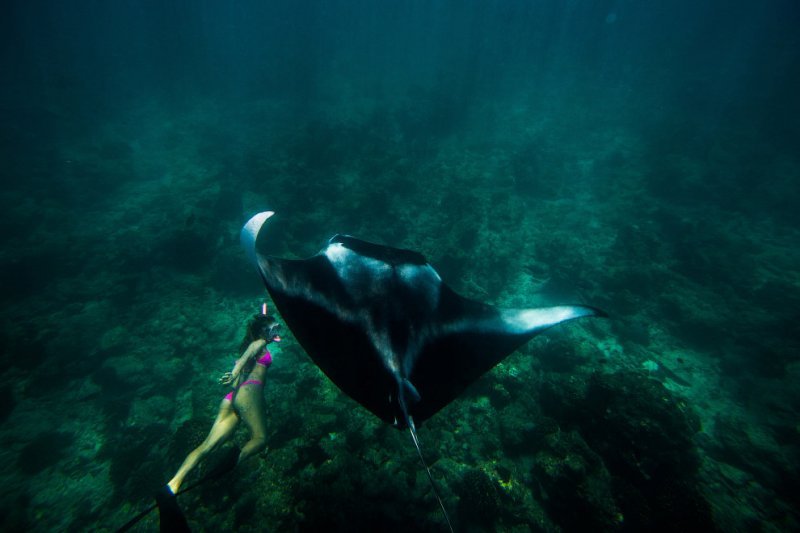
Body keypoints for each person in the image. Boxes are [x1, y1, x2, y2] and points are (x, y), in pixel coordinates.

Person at [160, 304, 281, 496]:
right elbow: (249, 353)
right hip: (249, 393)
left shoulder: (253, 339)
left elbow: (250, 347)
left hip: (232, 398)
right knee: (260, 439)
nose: (277, 332)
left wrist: (264, 315)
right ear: (263, 332)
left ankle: (173, 484)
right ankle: (226, 465)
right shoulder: (258, 344)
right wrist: (234, 373)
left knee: (207, 445)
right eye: (274, 329)